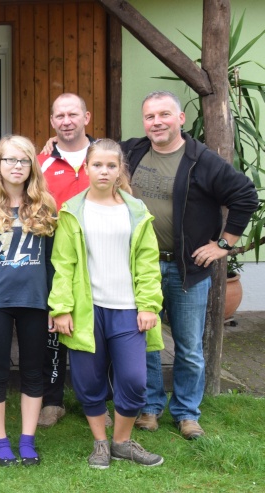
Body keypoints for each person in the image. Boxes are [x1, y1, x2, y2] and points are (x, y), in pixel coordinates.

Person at [123, 91, 258, 440]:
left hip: (186, 271)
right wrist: (53, 143)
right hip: (142, 268)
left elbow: (245, 195)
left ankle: (186, 412)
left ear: (181, 119)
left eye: (164, 115)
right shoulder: (133, 152)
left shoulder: (202, 160)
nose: (157, 122)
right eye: (150, 116)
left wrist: (223, 245)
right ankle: (150, 407)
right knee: (147, 341)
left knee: (188, 347)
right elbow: (92, 152)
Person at [49, 139, 165, 469]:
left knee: (134, 379)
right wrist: (61, 308)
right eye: (97, 165)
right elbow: (63, 264)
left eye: (111, 165)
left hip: (128, 309)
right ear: (86, 168)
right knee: (89, 380)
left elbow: (147, 262)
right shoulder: (72, 211)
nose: (104, 171)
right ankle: (101, 442)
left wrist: (148, 305)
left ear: (119, 170)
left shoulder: (136, 211)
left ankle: (122, 442)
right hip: (87, 310)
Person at [0, 135, 57, 466]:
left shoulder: (46, 207)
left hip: (35, 303)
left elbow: (53, 263)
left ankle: (27, 440)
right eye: (10, 160)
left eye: (23, 160)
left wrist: (55, 306)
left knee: (34, 372)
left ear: (32, 165)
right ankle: (0, 441)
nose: (17, 166)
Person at [36, 93, 98, 428]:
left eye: (73, 114)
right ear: (52, 121)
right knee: (53, 325)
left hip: (97, 254)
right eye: (59, 116)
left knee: (95, 325)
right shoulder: (40, 161)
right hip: (52, 254)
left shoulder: (104, 156)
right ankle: (52, 400)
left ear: (86, 117)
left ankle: (96, 399)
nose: (66, 121)